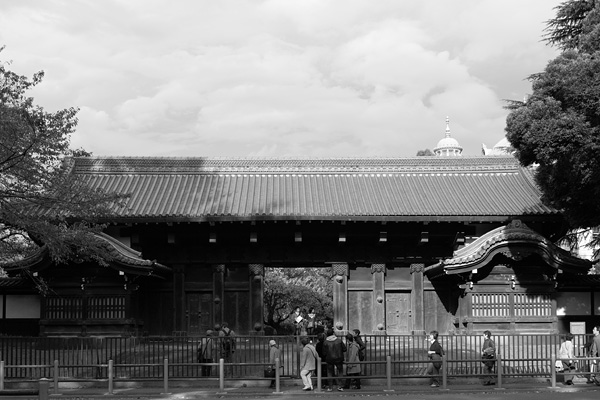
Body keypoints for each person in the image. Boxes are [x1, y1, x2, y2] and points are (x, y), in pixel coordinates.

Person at [323, 327, 346, 391]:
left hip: (329, 359)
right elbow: (344, 349)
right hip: (339, 359)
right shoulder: (339, 340)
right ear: (333, 333)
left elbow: (324, 353)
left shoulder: (325, 342)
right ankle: (340, 386)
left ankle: (330, 387)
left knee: (329, 372)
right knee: (340, 372)